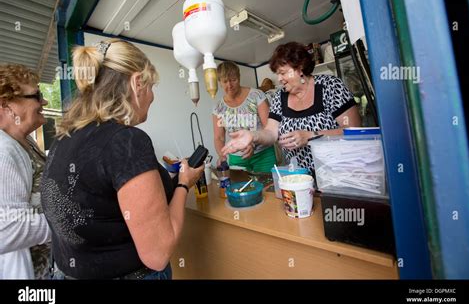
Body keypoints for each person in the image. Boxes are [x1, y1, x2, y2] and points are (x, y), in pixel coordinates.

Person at [40, 39, 204, 279]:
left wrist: (168, 180)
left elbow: (103, 200)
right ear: (137, 83)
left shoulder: (64, 138)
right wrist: (183, 184)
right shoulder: (126, 141)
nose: (152, 97)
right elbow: (158, 254)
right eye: (151, 87)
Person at [221, 42, 361, 176]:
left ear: (300, 68)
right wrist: (253, 136)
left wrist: (311, 136)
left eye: (283, 73)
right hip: (298, 177)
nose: (279, 79)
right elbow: (271, 133)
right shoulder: (280, 97)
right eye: (277, 74)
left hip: (335, 173)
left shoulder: (330, 87)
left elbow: (353, 131)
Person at [0, 64, 51, 279]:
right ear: (7, 105)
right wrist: (64, 222)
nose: (44, 102)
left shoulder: (24, 141)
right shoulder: (3, 151)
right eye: (37, 95)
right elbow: (7, 228)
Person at [212, 61, 276, 173]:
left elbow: (269, 128)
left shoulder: (256, 96)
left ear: (239, 77)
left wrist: (252, 143)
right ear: (220, 82)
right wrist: (222, 155)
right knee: (240, 189)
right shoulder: (219, 108)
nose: (229, 85)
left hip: (263, 155)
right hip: (237, 159)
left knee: (268, 189)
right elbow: (219, 138)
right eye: (225, 81)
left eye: (233, 80)